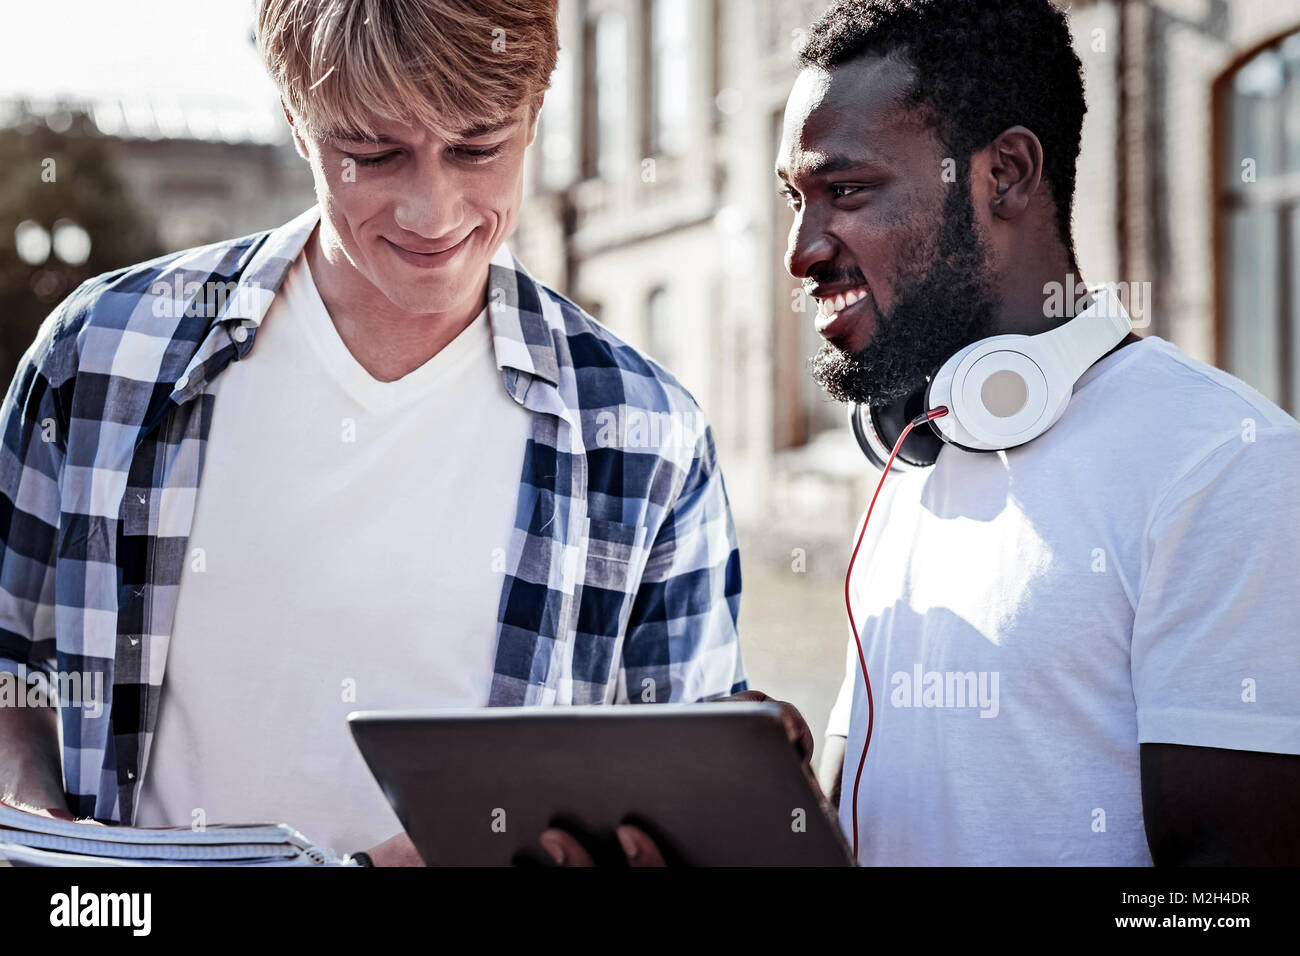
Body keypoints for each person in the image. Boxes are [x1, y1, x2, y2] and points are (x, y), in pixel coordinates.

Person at [0, 0, 801, 868]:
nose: (433, 210)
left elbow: (686, 809)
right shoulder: (104, 356)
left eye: (477, 148)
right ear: (297, 125)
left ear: (535, 118)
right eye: (374, 154)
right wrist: (44, 830)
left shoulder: (648, 436)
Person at [775, 0, 1300, 864]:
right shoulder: (923, 450)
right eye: (796, 199)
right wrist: (752, 800)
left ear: (1006, 173)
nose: (801, 248)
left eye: (847, 190)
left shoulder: (1224, 467)